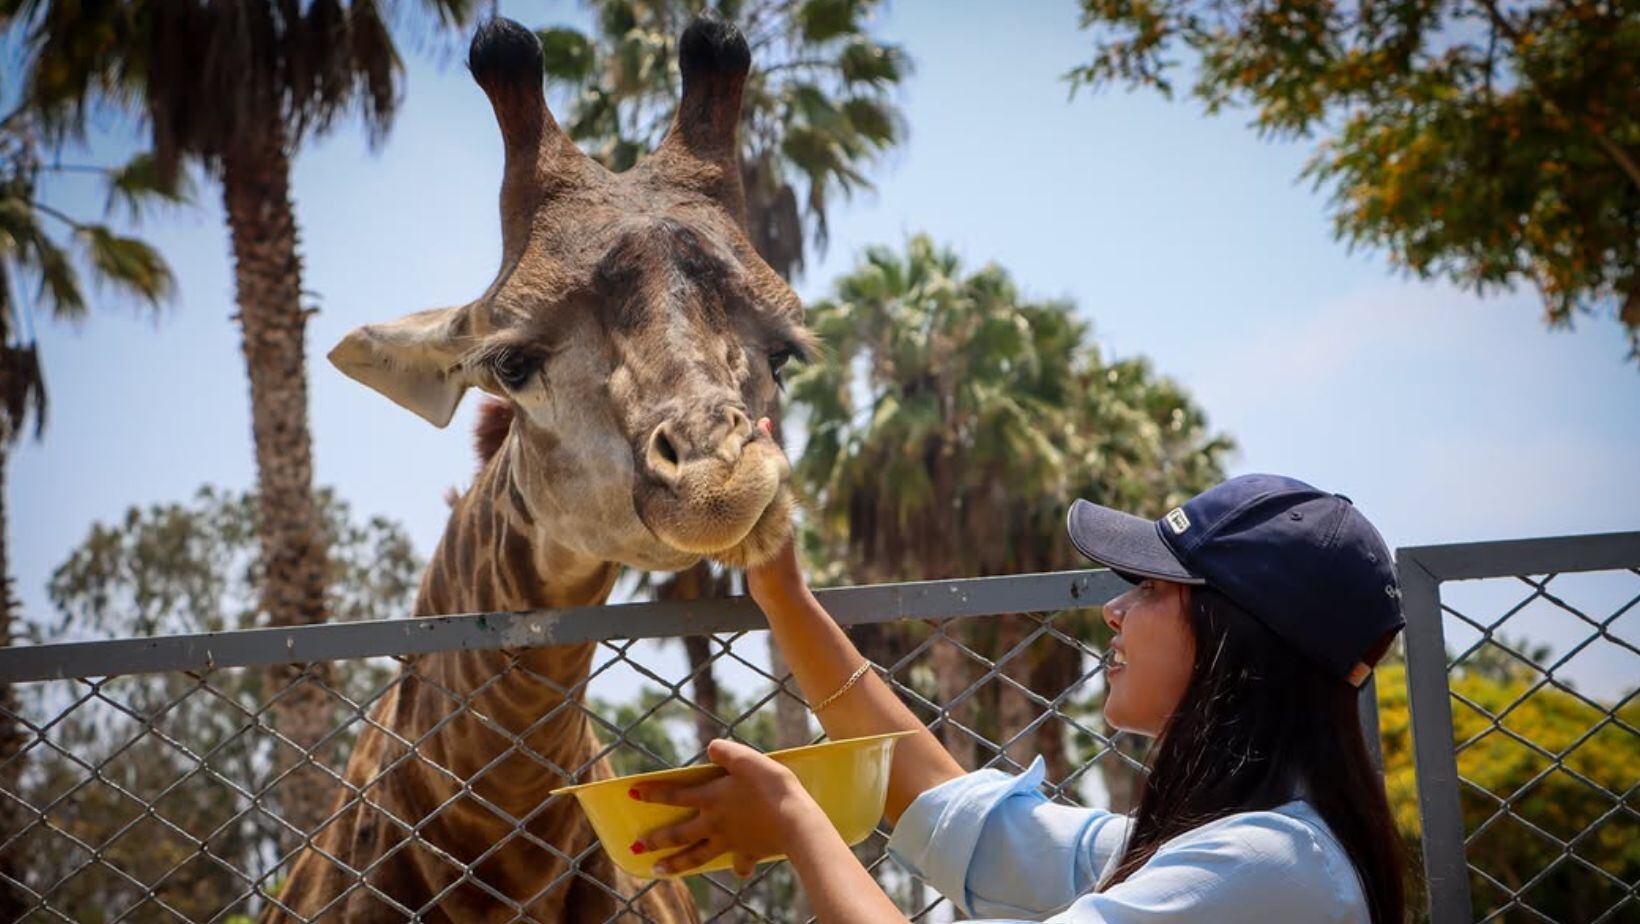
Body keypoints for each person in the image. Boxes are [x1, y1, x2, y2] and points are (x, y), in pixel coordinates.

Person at [630, 459, 1408, 923]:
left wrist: (796, 816)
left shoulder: (1261, 865)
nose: (1115, 607)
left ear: (1235, 632)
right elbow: (955, 812)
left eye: (1153, 586)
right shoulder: (1217, 848)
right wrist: (784, 596)